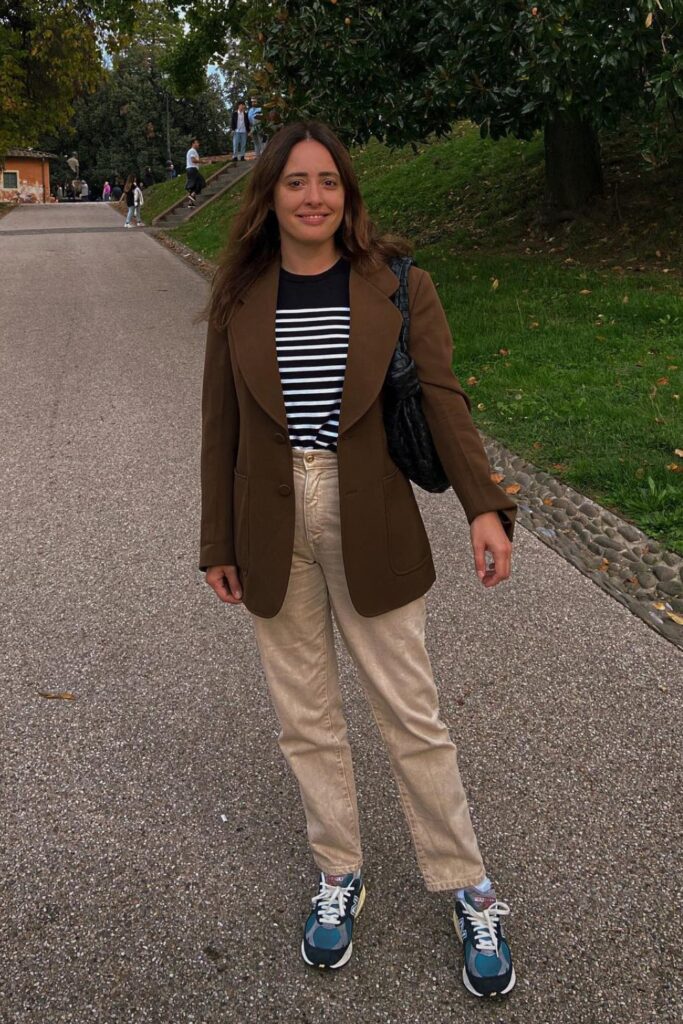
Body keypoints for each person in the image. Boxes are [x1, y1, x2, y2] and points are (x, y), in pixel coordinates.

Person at [200, 122, 518, 999]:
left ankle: (467, 885)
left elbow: (444, 398)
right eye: (295, 182)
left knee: (410, 713)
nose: (313, 197)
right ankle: (338, 872)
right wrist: (215, 543)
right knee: (305, 718)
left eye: (328, 182)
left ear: (347, 193)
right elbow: (218, 428)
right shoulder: (241, 294)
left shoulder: (396, 285)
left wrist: (484, 505)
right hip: (270, 518)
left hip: (366, 508)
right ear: (267, 197)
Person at [185, 137, 204, 207]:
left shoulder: (191, 151)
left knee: (193, 186)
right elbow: (193, 160)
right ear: (193, 144)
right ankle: (193, 195)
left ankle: (190, 203)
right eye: (197, 143)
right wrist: (202, 161)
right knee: (202, 182)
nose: (198, 144)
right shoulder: (192, 150)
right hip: (192, 169)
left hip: (189, 170)